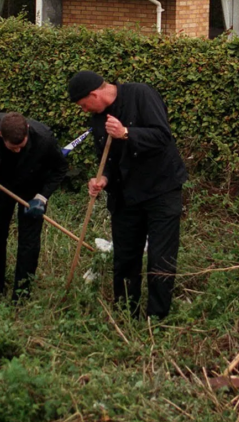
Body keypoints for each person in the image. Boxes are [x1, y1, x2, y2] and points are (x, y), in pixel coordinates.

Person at [68, 70, 187, 320]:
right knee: (125, 257)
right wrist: (103, 179)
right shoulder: (97, 120)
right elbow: (108, 160)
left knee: (160, 257)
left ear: (94, 94)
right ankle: (125, 313)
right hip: (125, 195)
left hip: (161, 190)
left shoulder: (141, 94)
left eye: (83, 104)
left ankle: (157, 319)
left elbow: (162, 136)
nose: (84, 109)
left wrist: (126, 133)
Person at [0, 112, 68, 299]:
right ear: (0, 135)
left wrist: (42, 198)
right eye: (13, 147)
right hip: (0, 185)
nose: (18, 150)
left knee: (29, 243)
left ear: (27, 130)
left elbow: (60, 169)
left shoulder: (44, 138)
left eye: (22, 146)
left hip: (32, 190)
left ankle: (21, 294)